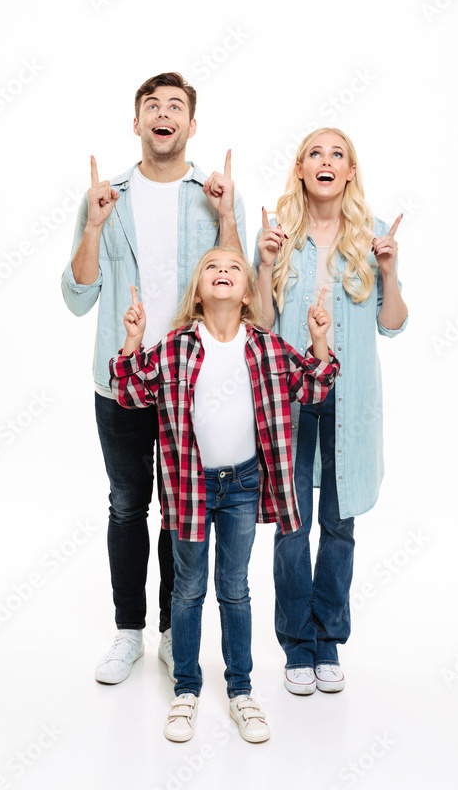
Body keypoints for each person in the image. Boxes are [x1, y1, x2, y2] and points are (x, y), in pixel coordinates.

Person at [109, 247, 339, 742]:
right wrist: (131, 342)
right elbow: (128, 391)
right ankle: (186, 691)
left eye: (234, 267)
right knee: (189, 589)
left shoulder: (268, 346)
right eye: (212, 267)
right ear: (198, 290)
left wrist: (320, 343)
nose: (223, 272)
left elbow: (315, 387)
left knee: (234, 589)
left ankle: (241, 691)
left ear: (248, 292)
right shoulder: (175, 346)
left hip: (243, 485)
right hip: (190, 487)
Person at [61, 71, 246, 685]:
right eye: (152, 106)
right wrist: (91, 225)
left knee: (179, 511)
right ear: (136, 121)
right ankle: (127, 632)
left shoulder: (214, 193)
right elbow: (78, 296)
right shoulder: (106, 196)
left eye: (176, 107)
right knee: (125, 506)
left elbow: (236, 283)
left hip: (192, 382)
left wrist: (226, 216)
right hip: (121, 381)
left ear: (192, 125)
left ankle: (173, 630)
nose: (163, 115)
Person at [254, 127, 408, 695]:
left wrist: (390, 270)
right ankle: (296, 642)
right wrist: (265, 266)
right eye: (315, 153)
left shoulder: (374, 236)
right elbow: (261, 327)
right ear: (300, 168)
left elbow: (391, 323)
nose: (326, 161)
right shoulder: (276, 236)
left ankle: (328, 639)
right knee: (292, 526)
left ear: (349, 172)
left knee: (338, 527)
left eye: (336, 154)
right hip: (292, 399)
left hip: (350, 403)